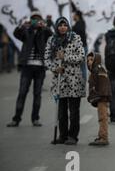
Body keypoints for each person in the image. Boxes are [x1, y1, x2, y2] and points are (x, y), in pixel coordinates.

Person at [6, 11, 53, 127]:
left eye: (38, 19)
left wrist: (46, 26)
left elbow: (52, 36)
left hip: (40, 68)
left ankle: (35, 119)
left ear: (41, 20)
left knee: (37, 94)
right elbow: (16, 34)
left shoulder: (44, 32)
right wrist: (22, 26)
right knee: (22, 93)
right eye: (33, 19)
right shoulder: (26, 31)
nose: (35, 21)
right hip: (27, 67)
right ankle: (16, 119)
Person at [45, 17, 86, 145]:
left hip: (74, 81)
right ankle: (62, 135)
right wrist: (55, 68)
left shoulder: (75, 38)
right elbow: (47, 58)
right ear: (57, 27)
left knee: (74, 111)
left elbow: (81, 56)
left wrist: (66, 57)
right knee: (61, 111)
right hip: (59, 81)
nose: (62, 27)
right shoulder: (52, 40)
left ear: (68, 26)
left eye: (65, 25)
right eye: (60, 25)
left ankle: (73, 136)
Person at [87, 52, 112, 146]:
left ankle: (104, 138)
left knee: (103, 118)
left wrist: (100, 96)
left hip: (102, 98)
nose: (89, 62)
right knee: (102, 117)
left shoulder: (98, 70)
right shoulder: (96, 69)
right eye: (88, 60)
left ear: (96, 60)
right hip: (102, 97)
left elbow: (104, 85)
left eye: (91, 60)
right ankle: (101, 136)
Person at [72, 10, 88, 81]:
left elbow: (76, 35)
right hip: (82, 46)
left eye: (74, 15)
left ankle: (82, 81)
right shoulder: (81, 23)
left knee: (81, 66)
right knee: (81, 66)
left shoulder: (79, 24)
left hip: (80, 47)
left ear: (77, 16)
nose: (73, 16)